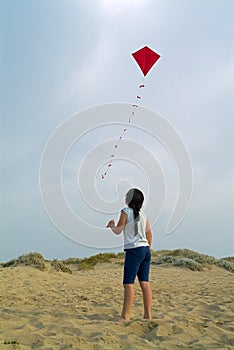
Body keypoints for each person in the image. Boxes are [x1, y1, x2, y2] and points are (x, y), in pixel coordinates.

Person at [106, 188, 153, 322]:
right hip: (145, 250)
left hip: (134, 250)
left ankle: (125, 316)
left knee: (128, 284)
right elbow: (149, 234)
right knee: (145, 283)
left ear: (129, 200)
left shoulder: (125, 211)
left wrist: (111, 225)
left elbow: (118, 230)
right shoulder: (143, 215)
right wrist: (147, 249)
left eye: (126, 197)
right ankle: (147, 315)